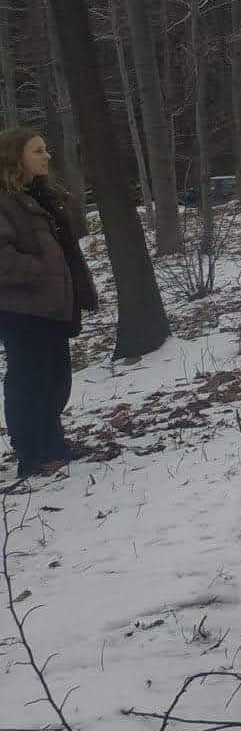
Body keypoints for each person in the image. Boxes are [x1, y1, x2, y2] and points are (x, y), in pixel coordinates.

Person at [0, 128, 95, 477]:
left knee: (56, 380)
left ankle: (54, 443)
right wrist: (41, 272)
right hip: (21, 310)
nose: (47, 156)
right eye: (38, 151)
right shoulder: (4, 201)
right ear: (15, 157)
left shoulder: (41, 196)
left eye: (46, 149)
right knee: (29, 380)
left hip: (53, 305)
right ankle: (31, 454)